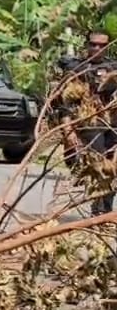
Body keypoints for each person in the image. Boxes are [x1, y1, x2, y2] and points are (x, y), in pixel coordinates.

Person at [63, 32, 117, 215]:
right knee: (97, 164)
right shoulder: (76, 68)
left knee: (112, 166)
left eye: (102, 45)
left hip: (111, 120)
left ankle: (107, 208)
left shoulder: (112, 66)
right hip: (89, 121)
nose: (97, 48)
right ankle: (97, 207)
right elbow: (63, 102)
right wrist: (67, 130)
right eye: (93, 44)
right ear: (87, 45)